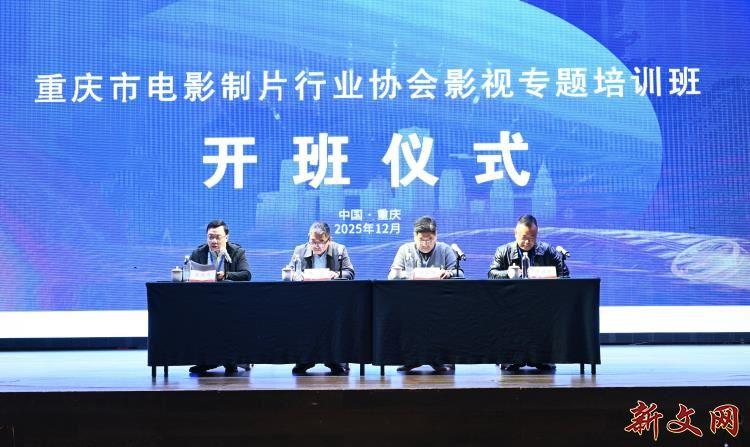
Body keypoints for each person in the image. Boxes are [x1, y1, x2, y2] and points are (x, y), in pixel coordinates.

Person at [488, 214, 569, 372]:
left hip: (541, 303)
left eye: (532, 237)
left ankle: (542, 358)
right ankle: (510, 358)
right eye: (524, 237)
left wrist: (550, 277)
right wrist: (508, 274)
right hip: (511, 303)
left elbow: (564, 274)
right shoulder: (503, 251)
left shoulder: (547, 251)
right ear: (515, 233)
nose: (527, 242)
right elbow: (491, 274)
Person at [388, 216, 463, 373]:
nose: (426, 243)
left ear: (436, 236)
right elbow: (393, 275)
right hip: (411, 301)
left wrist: (449, 274)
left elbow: (460, 273)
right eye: (422, 239)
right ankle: (411, 360)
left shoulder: (445, 249)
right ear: (414, 236)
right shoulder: (404, 250)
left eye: (430, 239)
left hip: (439, 302)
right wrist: (411, 275)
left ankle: (439, 361)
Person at [287, 221, 354, 375]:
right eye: (313, 241)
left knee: (335, 324)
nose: (316, 246)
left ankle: (336, 360)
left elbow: (350, 272)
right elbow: (290, 272)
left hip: (333, 300)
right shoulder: (299, 250)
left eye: (321, 242)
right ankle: (305, 359)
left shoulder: (339, 250)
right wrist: (297, 275)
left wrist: (335, 274)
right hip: (307, 300)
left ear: (329, 240)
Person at [187, 220, 251, 375]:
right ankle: (207, 360)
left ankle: (231, 360)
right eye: (210, 237)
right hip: (205, 302)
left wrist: (226, 275)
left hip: (231, 301)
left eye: (218, 237)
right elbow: (189, 276)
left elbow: (246, 274)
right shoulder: (198, 253)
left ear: (226, 237)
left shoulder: (237, 252)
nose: (214, 241)